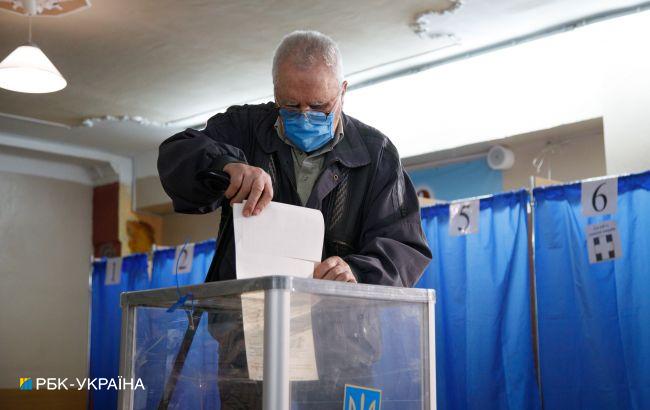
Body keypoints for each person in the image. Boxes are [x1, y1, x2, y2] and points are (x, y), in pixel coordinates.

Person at [157, 30, 432, 409]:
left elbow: (404, 245)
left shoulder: (376, 153)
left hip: (343, 350)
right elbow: (178, 154)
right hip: (250, 347)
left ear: (343, 90)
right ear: (274, 94)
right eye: (290, 105)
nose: (304, 116)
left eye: (319, 106)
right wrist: (225, 166)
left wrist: (356, 272)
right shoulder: (244, 129)